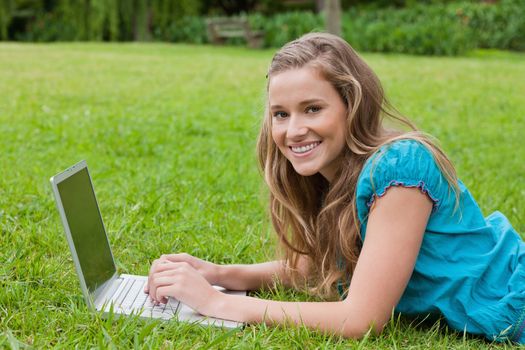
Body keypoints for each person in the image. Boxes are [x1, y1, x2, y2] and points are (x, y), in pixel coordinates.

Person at [144, 33, 525, 343]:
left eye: (313, 109)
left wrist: (218, 304)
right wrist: (222, 274)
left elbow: (360, 319)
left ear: (351, 105)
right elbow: (328, 265)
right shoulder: (332, 172)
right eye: (281, 114)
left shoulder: (400, 167)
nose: (293, 130)